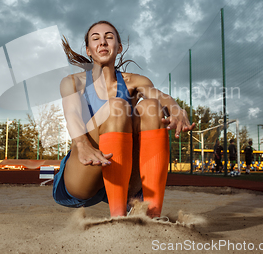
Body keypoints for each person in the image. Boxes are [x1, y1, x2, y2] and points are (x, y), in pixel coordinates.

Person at [52, 21, 195, 218]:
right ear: (89, 50)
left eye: (109, 37)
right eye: (96, 39)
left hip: (124, 174)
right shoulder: (73, 82)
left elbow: (160, 97)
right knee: (117, 106)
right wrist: (82, 144)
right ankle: (117, 220)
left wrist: (176, 108)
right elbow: (72, 114)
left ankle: (151, 215)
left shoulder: (135, 82)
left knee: (151, 106)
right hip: (86, 169)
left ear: (118, 47)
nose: (102, 42)